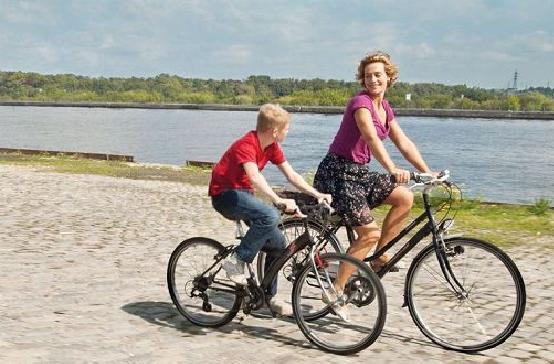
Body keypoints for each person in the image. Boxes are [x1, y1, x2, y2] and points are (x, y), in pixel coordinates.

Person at [313, 51, 436, 320]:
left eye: (378, 75)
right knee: (367, 234)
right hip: (337, 175)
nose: (373, 80)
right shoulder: (360, 103)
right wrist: (392, 170)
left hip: (359, 174)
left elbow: (403, 143)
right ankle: (335, 290)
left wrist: (428, 173)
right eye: (368, 76)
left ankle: (381, 255)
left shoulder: (386, 109)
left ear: (389, 78)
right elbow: (371, 139)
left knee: (404, 198)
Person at [209, 103, 331, 316]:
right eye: (286, 128)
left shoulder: (271, 146)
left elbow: (291, 175)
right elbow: (255, 176)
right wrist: (277, 199)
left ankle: (268, 297)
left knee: (278, 245)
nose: (288, 131)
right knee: (270, 214)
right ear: (275, 131)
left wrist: (315, 193)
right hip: (225, 195)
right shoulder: (246, 145)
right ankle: (237, 260)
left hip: (244, 196)